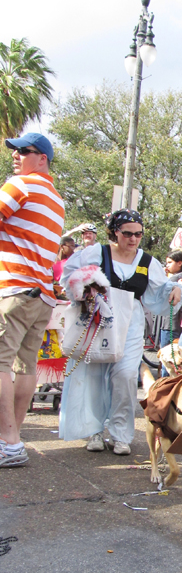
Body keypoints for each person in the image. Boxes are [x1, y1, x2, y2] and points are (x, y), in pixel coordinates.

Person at [59, 209, 182, 455]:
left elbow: (160, 290)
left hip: (132, 323)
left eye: (138, 234)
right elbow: (69, 276)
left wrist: (175, 289)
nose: (133, 239)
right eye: (127, 234)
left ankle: (120, 433)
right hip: (98, 321)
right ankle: (94, 430)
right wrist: (84, 286)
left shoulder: (148, 262)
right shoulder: (96, 253)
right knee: (94, 375)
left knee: (125, 376)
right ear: (115, 232)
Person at [0, 133, 65, 467]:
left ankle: (8, 441)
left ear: (42, 159)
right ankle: (13, 438)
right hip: (41, 295)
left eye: (23, 151)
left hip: (13, 287)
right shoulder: (56, 199)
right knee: (25, 366)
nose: (15, 156)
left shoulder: (21, 185)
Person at [158, 249, 182, 376]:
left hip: (171, 323)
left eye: (170, 262)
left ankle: (166, 386)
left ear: (179, 263)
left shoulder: (176, 279)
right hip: (174, 322)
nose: (167, 266)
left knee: (167, 357)